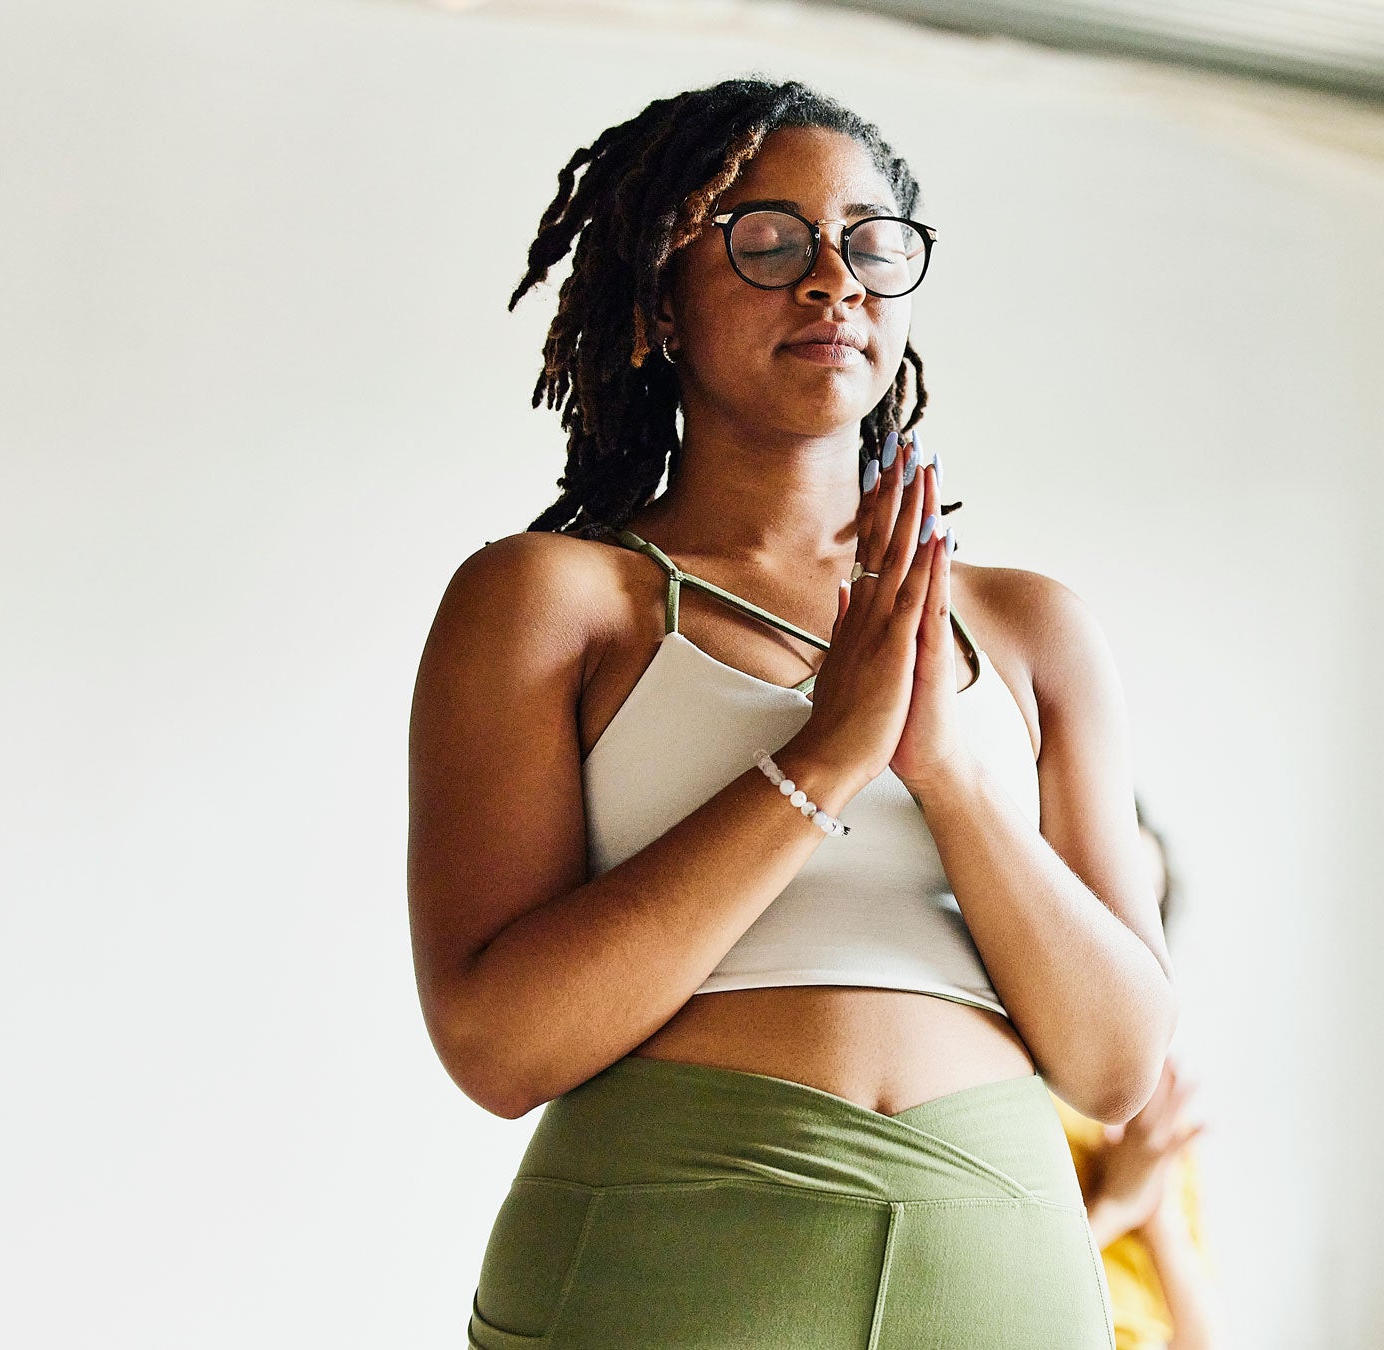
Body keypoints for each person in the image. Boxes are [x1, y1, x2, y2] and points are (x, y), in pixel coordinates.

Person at [405, 77, 1175, 1349]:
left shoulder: (1035, 630)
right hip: (673, 1239)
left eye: (871, 243)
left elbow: (1114, 1067)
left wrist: (947, 774)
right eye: (766, 242)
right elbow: (498, 1044)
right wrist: (824, 758)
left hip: (998, 1256)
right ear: (659, 301)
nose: (834, 281)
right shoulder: (554, 600)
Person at [1054, 799, 1221, 1350]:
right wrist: (1118, 1205)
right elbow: (972, 1314)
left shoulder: (1154, 1115)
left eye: (1144, 910)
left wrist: (1158, 1206)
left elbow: (1201, 1340)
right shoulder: (1009, 1081)